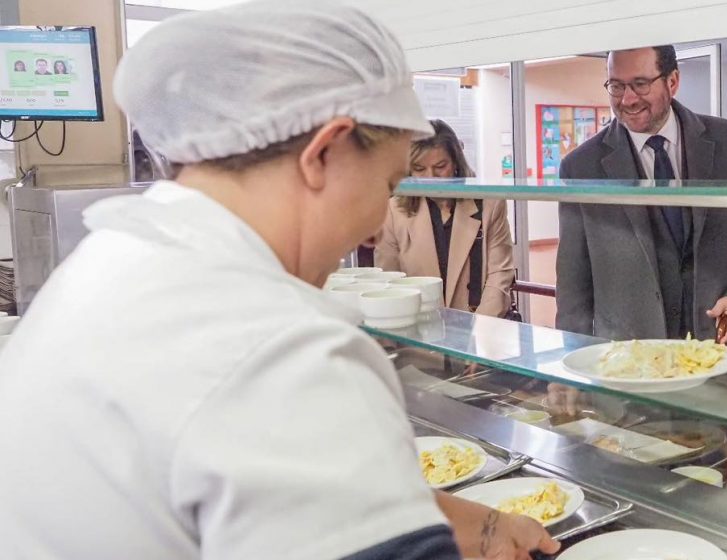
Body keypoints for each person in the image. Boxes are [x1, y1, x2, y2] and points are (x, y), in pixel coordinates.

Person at [0, 3, 558, 559]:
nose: (377, 215)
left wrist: (477, 525)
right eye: (388, 182)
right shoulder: (286, 354)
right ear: (324, 153)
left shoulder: (117, 261)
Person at [557, 45, 727, 343]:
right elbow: (574, 279)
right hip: (631, 357)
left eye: (640, 84)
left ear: (672, 81)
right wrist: (573, 358)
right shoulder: (580, 166)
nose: (627, 99)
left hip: (723, 345)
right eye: (616, 86)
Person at [374, 119, 515, 317]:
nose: (431, 177)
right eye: (419, 169)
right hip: (418, 331)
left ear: (456, 162)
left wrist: (476, 335)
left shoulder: (490, 204)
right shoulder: (393, 211)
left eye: (440, 166)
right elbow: (388, 284)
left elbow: (499, 278)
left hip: (479, 332)